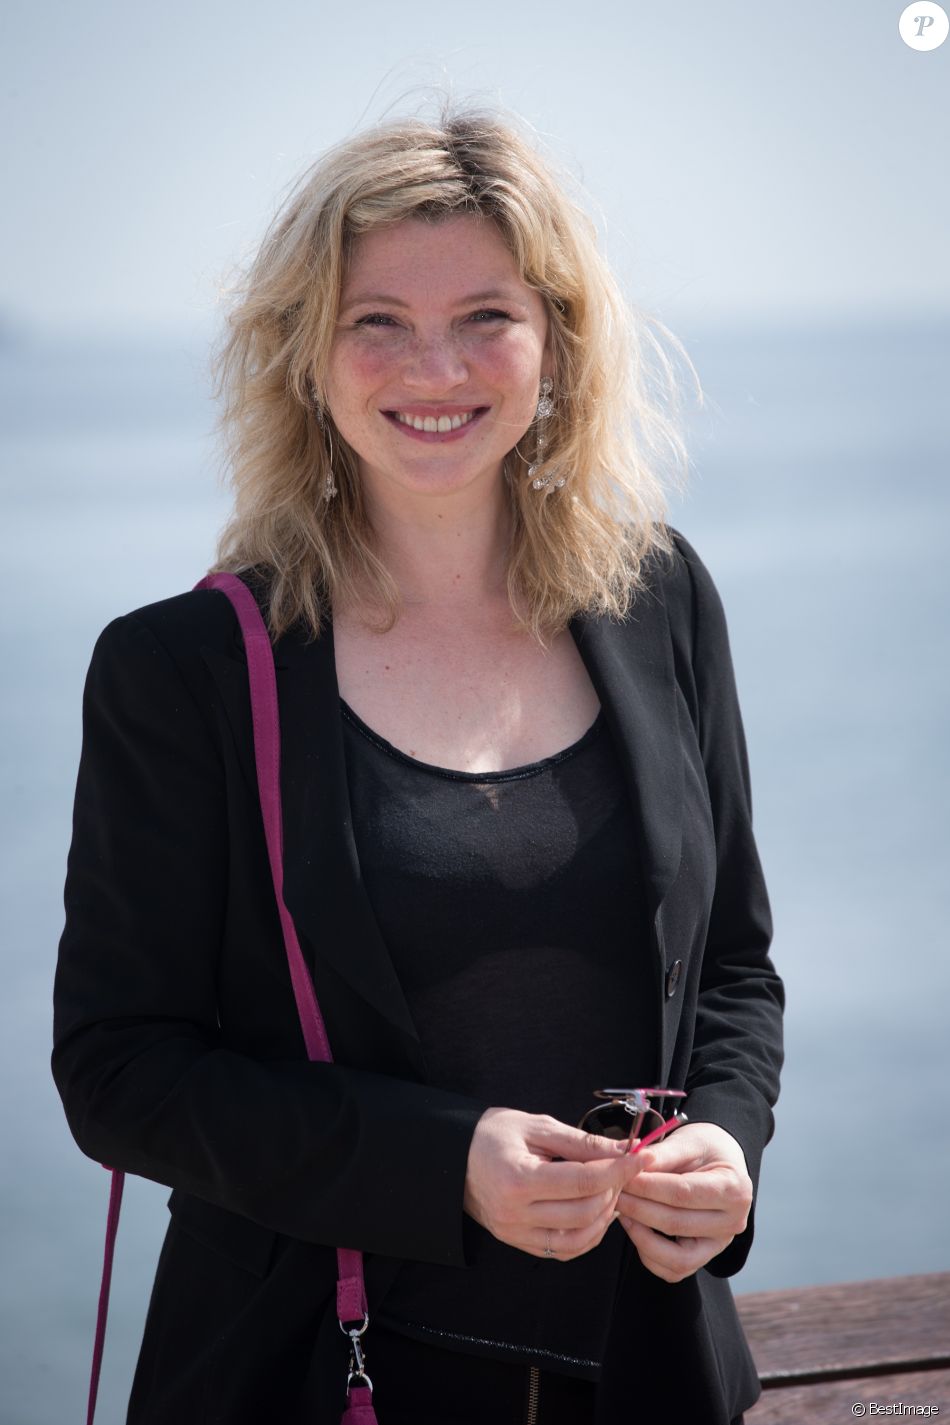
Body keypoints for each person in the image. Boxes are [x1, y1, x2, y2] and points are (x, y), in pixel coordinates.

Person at [53, 108, 784, 1425]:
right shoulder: (184, 672)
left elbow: (729, 965)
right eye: (374, 318)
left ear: (554, 339)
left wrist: (727, 1144)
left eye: (485, 314)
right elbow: (119, 1070)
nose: (434, 365)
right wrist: (442, 1162)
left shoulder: (659, 598)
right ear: (303, 354)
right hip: (321, 1380)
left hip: (648, 1374)